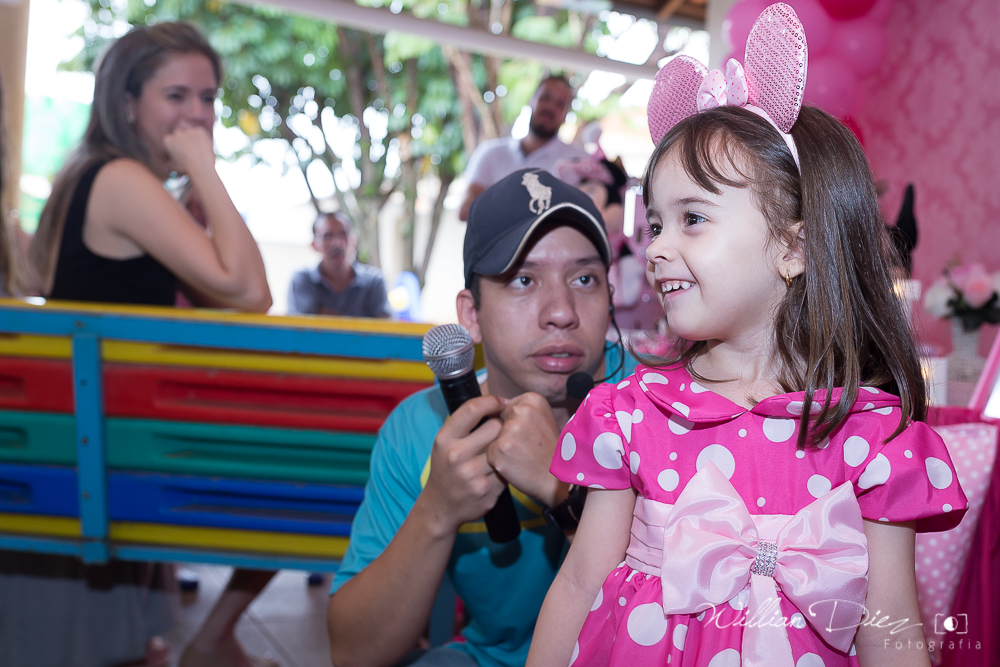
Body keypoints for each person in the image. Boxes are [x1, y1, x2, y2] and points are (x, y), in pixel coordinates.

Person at [527, 7, 968, 667]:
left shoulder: (872, 442)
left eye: (692, 218)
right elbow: (580, 582)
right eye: (656, 222)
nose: (657, 247)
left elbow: (891, 627)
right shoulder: (631, 415)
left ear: (794, 249)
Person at [27, 22, 277, 667]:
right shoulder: (120, 180)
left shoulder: (86, 173)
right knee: (313, 470)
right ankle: (214, 637)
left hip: (88, 426)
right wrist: (205, 171)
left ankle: (204, 637)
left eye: (208, 97)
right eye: (177, 96)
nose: (197, 114)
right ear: (128, 102)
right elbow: (250, 292)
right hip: (108, 437)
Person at [327, 168, 636, 667]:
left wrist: (560, 493)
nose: (561, 311)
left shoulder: (664, 408)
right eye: (522, 279)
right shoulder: (424, 428)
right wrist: (438, 510)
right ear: (470, 314)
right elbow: (353, 652)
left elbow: (691, 621)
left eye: (584, 278)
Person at [458, 75, 587, 221]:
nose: (550, 107)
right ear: (531, 100)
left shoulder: (580, 161)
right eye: (545, 98)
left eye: (560, 104)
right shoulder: (490, 153)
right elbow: (465, 211)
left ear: (566, 113)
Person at [287, 211, 390, 317]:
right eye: (327, 236)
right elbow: (300, 328)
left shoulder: (374, 282)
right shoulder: (303, 279)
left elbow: (385, 329)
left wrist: (322, 314)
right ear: (314, 245)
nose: (337, 243)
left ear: (354, 240)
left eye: (343, 234)